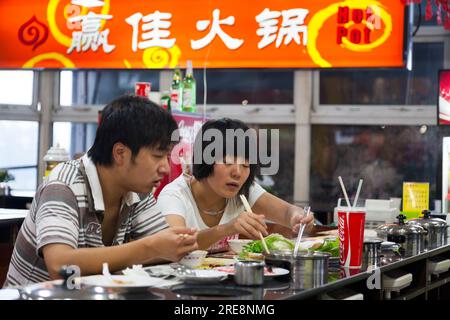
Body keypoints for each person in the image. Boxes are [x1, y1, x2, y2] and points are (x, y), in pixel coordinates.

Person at [3, 95, 198, 287]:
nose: (165, 168)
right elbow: (60, 266)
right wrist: (150, 247)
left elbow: (163, 251)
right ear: (120, 153)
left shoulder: (138, 189)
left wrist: (172, 246)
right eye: (157, 156)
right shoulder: (65, 184)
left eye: (167, 156)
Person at [158, 118, 314, 252]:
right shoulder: (174, 196)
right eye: (227, 162)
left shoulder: (243, 190)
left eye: (245, 165)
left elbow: (287, 213)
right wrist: (227, 228)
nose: (237, 173)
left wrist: (298, 217)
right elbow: (177, 243)